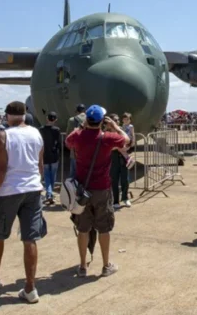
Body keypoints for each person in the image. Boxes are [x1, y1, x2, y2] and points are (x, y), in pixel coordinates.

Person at [0, 101, 46, 304]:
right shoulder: (36, 134)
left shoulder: (3, 135)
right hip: (33, 189)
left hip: (10, 191)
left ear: (7, 116)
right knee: (30, 238)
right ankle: (30, 288)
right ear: (24, 115)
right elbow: (40, 164)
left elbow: (1, 168)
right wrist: (36, 183)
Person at [65, 105, 130, 276]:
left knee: (83, 229)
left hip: (82, 191)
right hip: (102, 189)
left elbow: (67, 141)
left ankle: (82, 266)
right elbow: (126, 140)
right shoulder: (107, 138)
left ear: (87, 120)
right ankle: (106, 265)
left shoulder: (78, 136)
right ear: (102, 121)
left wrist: (82, 126)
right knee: (104, 228)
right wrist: (115, 127)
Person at [110, 112, 135, 209]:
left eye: (118, 120)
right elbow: (108, 147)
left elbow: (128, 140)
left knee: (125, 179)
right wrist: (117, 147)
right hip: (114, 158)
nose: (118, 122)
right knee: (114, 180)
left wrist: (128, 147)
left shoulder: (121, 130)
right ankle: (115, 201)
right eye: (115, 120)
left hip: (123, 157)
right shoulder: (107, 132)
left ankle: (125, 198)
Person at [40, 112, 62, 205]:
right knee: (53, 176)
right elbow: (59, 143)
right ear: (55, 120)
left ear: (47, 118)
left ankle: (49, 194)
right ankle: (50, 193)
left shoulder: (41, 129)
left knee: (47, 176)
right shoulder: (56, 130)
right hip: (54, 155)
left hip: (44, 155)